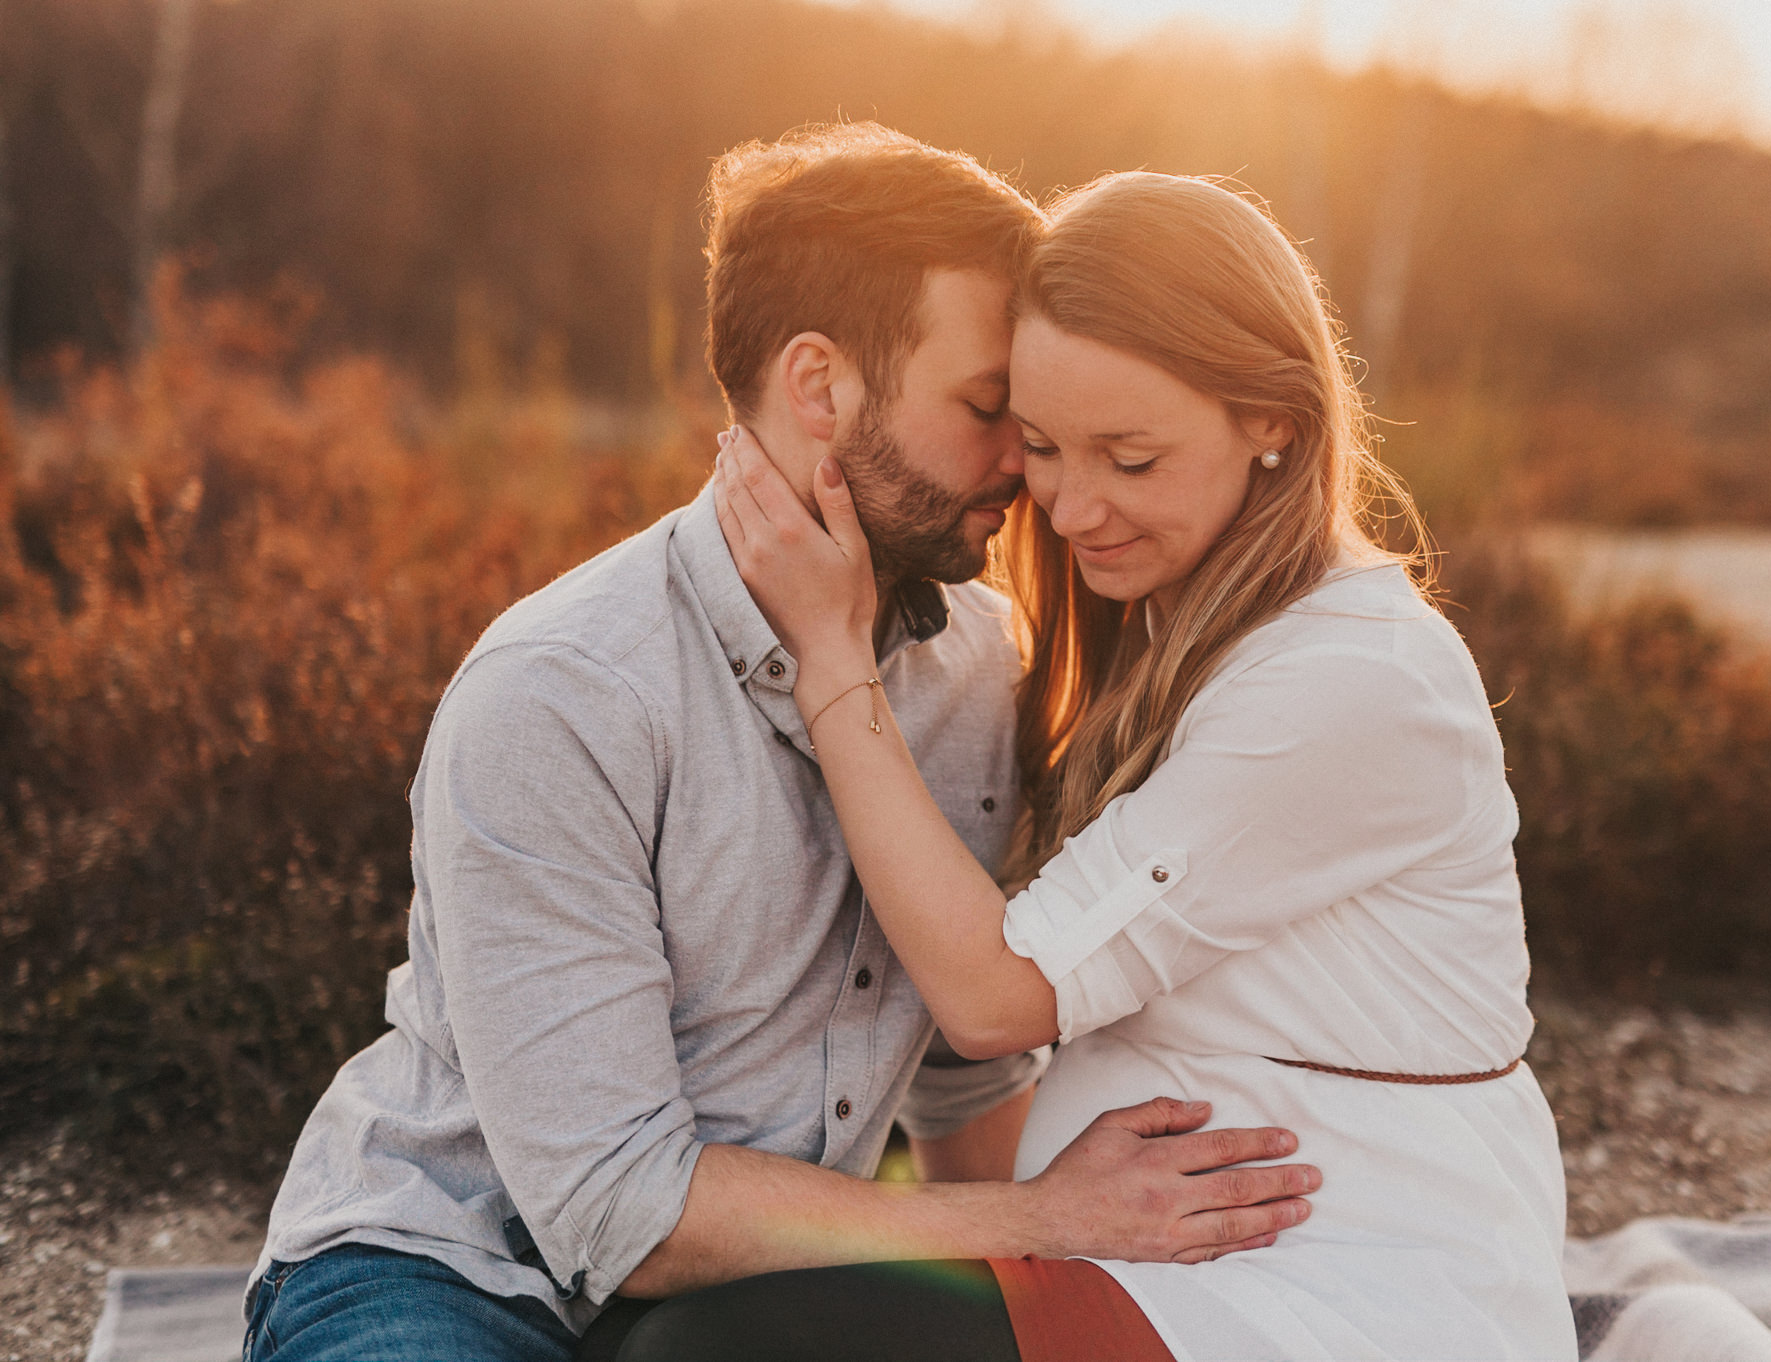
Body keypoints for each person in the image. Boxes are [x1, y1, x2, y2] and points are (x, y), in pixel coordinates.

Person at [242, 128, 1317, 1362]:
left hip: (743, 1299)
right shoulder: (560, 695)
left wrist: (1094, 1254)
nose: (1025, 467)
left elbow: (957, 1080)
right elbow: (617, 1213)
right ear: (821, 387)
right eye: (985, 410)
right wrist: (1034, 1214)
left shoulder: (977, 665)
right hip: (444, 1268)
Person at [645, 170, 1577, 1361]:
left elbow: (989, 1002)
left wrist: (830, 658)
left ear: (1272, 422)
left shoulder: (1347, 680)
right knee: (669, 1337)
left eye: (1129, 459)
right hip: (1166, 1262)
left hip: (1324, 1291)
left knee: (711, 1355)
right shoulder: (1184, 618)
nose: (1074, 507)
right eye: (1038, 447)